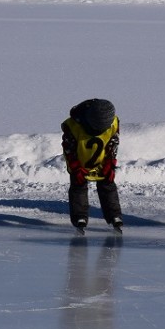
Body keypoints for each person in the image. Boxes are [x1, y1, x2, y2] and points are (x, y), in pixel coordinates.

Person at [62, 98, 122, 233]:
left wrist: (110, 163)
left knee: (108, 185)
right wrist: (76, 167)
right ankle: (80, 217)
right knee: (78, 186)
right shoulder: (73, 126)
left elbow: (113, 143)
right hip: (80, 163)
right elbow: (68, 148)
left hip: (102, 161)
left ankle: (114, 215)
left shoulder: (113, 123)